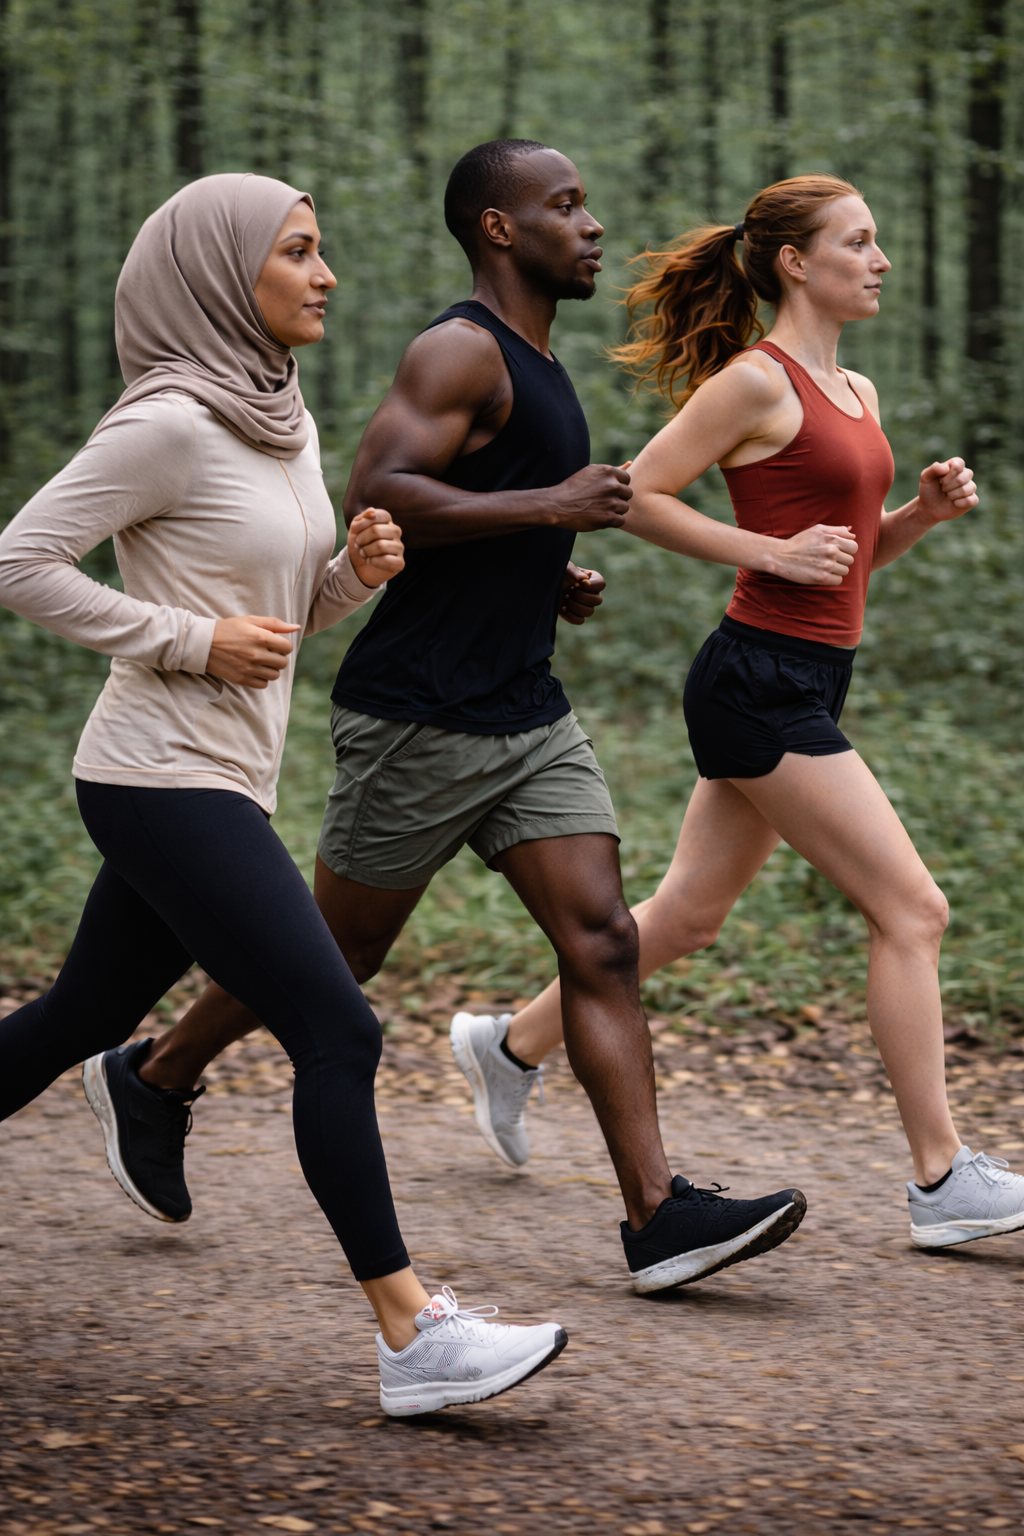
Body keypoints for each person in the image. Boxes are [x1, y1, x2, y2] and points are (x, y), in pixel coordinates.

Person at [98, 141, 807, 1295]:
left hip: (524, 708)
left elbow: (473, 510)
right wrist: (553, 506)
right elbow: (378, 495)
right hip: (419, 717)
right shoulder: (458, 349)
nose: (588, 225)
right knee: (340, 952)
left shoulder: (537, 357)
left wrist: (545, 563)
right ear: (496, 227)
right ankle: (156, 1072)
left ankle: (658, 1216)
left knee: (603, 939)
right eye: (562, 206)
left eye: (584, 203)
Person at [0, 172, 569, 1416]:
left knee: (64, 1022)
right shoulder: (163, 425)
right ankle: (415, 1336)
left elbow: (280, 613)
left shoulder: (277, 415)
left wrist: (348, 576)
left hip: (221, 779)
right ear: (218, 274)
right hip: (158, 777)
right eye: (298, 253)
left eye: (321, 252)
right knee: (336, 1027)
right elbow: (21, 562)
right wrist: (184, 641)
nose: (325, 275)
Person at [457, 173, 1024, 1253]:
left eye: (878, 241)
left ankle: (508, 1046)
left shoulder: (852, 389)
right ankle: (940, 1178)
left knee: (685, 917)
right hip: (755, 685)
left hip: (811, 674)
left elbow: (844, 567)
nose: (881, 260)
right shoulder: (754, 383)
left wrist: (919, 517)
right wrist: (763, 550)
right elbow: (638, 494)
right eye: (858, 242)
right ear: (794, 263)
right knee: (914, 910)